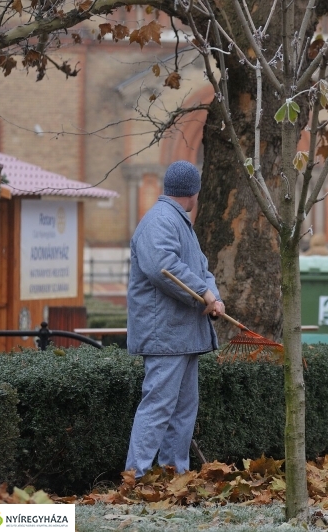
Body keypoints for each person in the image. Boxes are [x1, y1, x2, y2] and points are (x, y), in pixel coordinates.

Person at [125, 160, 225, 478]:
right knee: (158, 408)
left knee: (182, 412)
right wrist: (204, 294)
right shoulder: (160, 221)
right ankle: (135, 477)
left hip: (182, 335)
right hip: (165, 335)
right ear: (193, 192)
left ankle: (174, 476)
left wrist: (214, 295)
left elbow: (202, 266)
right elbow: (163, 267)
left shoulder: (177, 221)